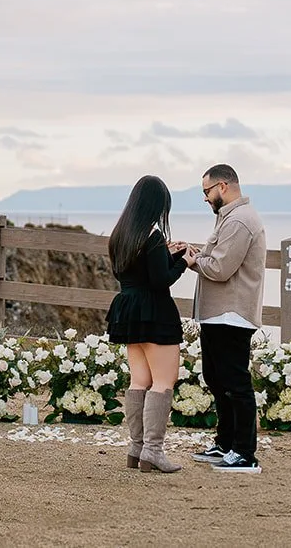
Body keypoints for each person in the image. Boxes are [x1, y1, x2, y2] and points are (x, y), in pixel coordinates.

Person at [183, 163, 266, 473]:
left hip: (232, 314)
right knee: (217, 380)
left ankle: (245, 453)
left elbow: (220, 268)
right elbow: (215, 259)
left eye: (207, 191)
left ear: (223, 186)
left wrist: (193, 262)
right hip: (219, 313)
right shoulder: (229, 218)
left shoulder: (240, 221)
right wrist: (194, 254)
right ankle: (226, 444)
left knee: (235, 383)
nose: (205, 198)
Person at [105, 174, 189, 473]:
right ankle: (153, 451)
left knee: (139, 380)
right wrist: (184, 261)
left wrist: (166, 253)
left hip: (128, 309)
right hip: (154, 311)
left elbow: (134, 272)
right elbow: (161, 279)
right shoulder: (151, 235)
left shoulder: (121, 234)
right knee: (164, 381)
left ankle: (136, 448)